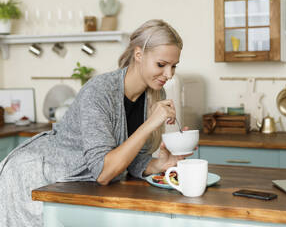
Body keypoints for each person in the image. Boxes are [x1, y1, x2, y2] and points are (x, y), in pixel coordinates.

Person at [0, 19, 189, 226]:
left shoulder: (154, 93)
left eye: (173, 66)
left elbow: (129, 159)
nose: (169, 75)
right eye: (161, 65)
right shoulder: (99, 92)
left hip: (74, 184)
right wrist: (150, 124)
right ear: (138, 54)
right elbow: (103, 172)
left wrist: (157, 164)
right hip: (34, 177)